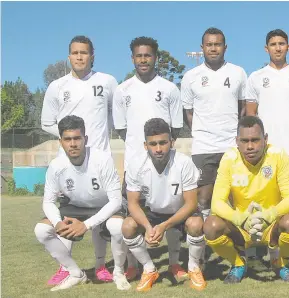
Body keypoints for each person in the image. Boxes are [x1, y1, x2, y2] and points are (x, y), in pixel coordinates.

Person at [40, 35, 130, 284]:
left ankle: (101, 266)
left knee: (99, 212)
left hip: (99, 160)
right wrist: (70, 136)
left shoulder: (108, 81)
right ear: (68, 56)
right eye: (75, 53)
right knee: (69, 212)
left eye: (84, 52)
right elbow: (46, 122)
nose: (80, 57)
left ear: (93, 55)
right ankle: (65, 266)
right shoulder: (57, 86)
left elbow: (116, 116)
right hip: (69, 162)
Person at [113, 36, 184, 280]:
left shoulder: (170, 88)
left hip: (165, 166)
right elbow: (122, 130)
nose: (143, 59)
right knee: (132, 219)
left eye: (148, 55)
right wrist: (139, 151)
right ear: (132, 58)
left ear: (156, 57)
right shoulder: (122, 90)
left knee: (169, 212)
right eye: (139, 55)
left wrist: (160, 150)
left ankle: (175, 263)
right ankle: (137, 265)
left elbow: (175, 128)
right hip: (135, 168)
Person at [34, 115, 130, 291]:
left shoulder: (102, 159)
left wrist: (86, 225)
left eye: (77, 138)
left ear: (85, 139)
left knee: (116, 225)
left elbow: (116, 200)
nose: (73, 144)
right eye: (67, 139)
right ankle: (75, 273)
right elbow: (48, 202)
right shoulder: (56, 166)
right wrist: (57, 223)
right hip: (76, 207)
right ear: (60, 142)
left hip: (105, 205)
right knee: (41, 230)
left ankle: (118, 272)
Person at [203, 116, 289, 284]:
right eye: (244, 141)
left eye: (255, 140)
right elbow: (216, 202)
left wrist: (268, 216)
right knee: (211, 226)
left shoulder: (278, 155)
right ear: (237, 141)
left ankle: (280, 263)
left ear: (265, 139)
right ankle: (238, 263)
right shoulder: (229, 159)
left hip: (272, 223)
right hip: (242, 226)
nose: (250, 146)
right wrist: (240, 219)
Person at [244, 29, 289, 272]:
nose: (277, 48)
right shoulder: (256, 77)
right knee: (261, 201)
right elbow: (250, 117)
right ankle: (257, 252)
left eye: (282, 43)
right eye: (273, 44)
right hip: (268, 152)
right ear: (266, 49)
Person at [121, 118, 206, 292]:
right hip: (154, 212)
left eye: (163, 143)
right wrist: (147, 227)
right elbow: (133, 204)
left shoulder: (184, 163)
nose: (158, 149)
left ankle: (193, 267)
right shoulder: (135, 165)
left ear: (172, 142)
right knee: (128, 226)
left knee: (196, 224)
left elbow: (191, 204)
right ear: (145, 145)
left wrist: (164, 226)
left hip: (181, 211)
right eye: (153, 144)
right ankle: (149, 269)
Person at [181, 27, 248, 223]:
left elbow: (242, 107)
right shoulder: (191, 76)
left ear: (225, 47)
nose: (213, 48)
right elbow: (188, 113)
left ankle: (242, 242)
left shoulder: (238, 73)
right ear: (202, 48)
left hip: (231, 146)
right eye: (209, 45)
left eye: (217, 44)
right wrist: (204, 131)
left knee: (237, 194)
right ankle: (203, 246)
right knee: (203, 197)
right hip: (204, 146)